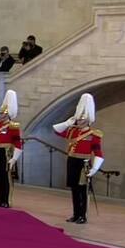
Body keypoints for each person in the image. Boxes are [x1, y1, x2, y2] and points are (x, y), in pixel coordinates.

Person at [52, 93, 104, 224]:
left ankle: (83, 215)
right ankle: (75, 214)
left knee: (82, 191)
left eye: (81, 119)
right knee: (74, 189)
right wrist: (68, 122)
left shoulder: (94, 135)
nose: (79, 121)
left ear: (88, 120)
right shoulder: (72, 131)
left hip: (84, 163)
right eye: (78, 119)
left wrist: (95, 168)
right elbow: (56, 130)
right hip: (72, 161)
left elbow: (98, 153)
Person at [0, 90, 23, 208]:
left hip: (7, 153)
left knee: (7, 178)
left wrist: (14, 158)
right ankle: (0, 199)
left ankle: (7, 200)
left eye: (2, 114)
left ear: (7, 114)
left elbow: (17, 143)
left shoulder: (12, 126)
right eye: (0, 113)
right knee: (0, 176)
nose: (0, 115)